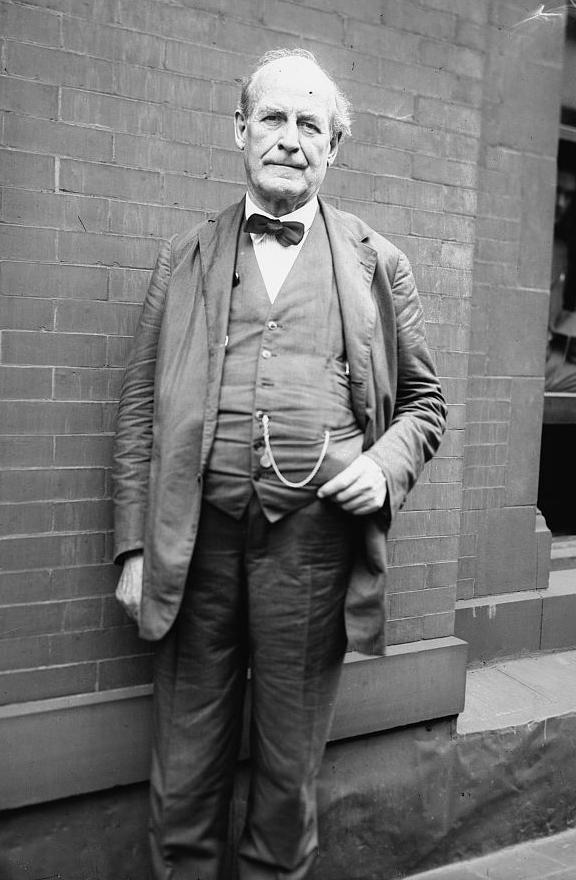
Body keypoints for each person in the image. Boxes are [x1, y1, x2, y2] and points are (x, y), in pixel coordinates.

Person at [112, 47, 447, 880]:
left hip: (313, 555)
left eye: (311, 124)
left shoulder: (379, 264)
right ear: (239, 130)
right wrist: (131, 549)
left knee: (288, 781)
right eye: (273, 118)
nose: (290, 139)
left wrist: (386, 465)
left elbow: (426, 405)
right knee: (183, 777)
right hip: (193, 552)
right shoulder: (183, 259)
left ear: (335, 145)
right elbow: (136, 414)